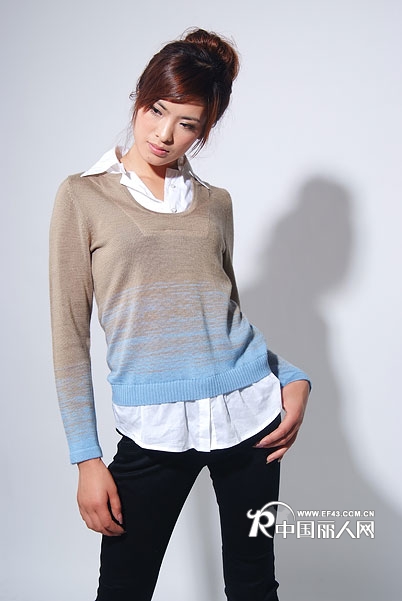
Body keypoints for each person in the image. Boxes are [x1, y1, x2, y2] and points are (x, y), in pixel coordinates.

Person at [49, 28, 310, 601]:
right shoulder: (82, 197)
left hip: (250, 419)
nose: (165, 134)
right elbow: (69, 336)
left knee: (253, 584)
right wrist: (86, 458)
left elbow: (221, 310)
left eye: (187, 123)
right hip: (153, 427)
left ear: (205, 130)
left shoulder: (216, 203)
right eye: (156, 110)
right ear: (139, 100)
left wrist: (290, 375)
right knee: (124, 588)